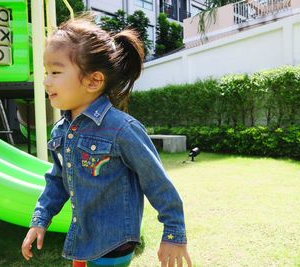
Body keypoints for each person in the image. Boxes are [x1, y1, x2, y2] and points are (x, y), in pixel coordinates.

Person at [21, 12, 192, 267]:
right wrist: (40, 219)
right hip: (83, 237)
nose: (46, 81)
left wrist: (173, 234)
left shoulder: (121, 129)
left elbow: (157, 182)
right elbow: (57, 180)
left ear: (94, 81)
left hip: (114, 242)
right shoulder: (61, 130)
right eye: (46, 71)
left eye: (55, 72)